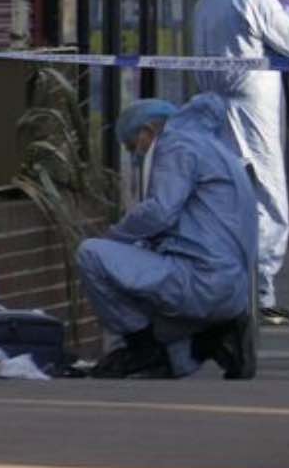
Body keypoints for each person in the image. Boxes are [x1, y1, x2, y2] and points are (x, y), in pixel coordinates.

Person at [77, 95, 257, 379]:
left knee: (91, 255)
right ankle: (214, 338)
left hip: (201, 280)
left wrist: (115, 235)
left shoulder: (176, 145)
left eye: (132, 146)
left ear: (148, 132)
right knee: (176, 363)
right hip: (232, 288)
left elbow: (161, 211)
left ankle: (142, 350)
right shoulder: (215, 146)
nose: (135, 156)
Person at [194, 0, 289, 326]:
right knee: (268, 201)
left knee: (225, 201)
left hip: (215, 107)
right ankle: (260, 294)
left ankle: (231, 291)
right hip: (251, 111)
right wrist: (288, 7)